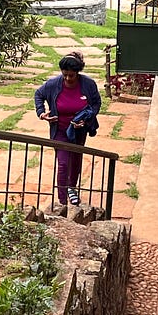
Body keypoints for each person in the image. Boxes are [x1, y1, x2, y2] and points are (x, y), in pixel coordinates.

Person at [34, 51, 101, 206]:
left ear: (78, 73)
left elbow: (96, 103)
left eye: (71, 75)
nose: (68, 78)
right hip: (60, 130)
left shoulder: (88, 84)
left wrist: (86, 119)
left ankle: (72, 187)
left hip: (79, 130)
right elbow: (38, 94)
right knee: (63, 163)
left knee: (76, 160)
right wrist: (42, 113)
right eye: (65, 75)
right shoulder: (53, 84)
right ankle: (62, 200)